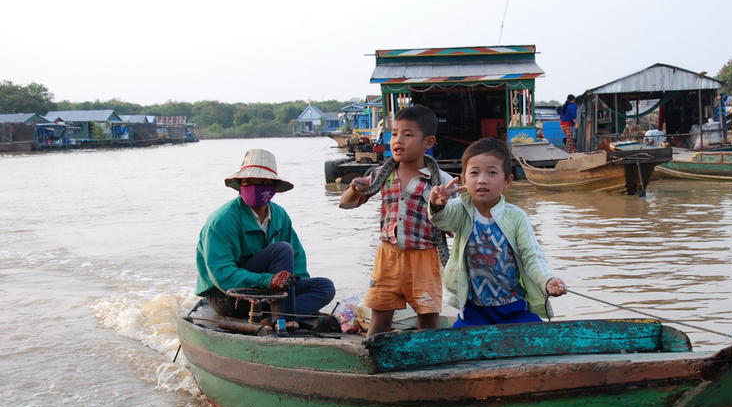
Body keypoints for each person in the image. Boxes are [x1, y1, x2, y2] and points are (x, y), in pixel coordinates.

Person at [339, 105, 454, 336]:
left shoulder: (441, 180)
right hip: (387, 257)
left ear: (428, 142)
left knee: (428, 319)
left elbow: (454, 222)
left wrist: (443, 204)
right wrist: (355, 188)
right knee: (379, 319)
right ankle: (372, 358)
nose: (398, 140)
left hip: (425, 255)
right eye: (394, 134)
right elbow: (345, 203)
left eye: (408, 134)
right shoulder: (381, 173)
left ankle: (427, 363)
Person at [428, 137, 566, 327]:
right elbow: (441, 219)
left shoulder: (516, 217)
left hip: (514, 307)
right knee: (456, 344)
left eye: (492, 173)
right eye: (474, 173)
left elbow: (532, 257)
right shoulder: (460, 210)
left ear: (508, 180)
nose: (482, 180)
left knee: (540, 336)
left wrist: (547, 280)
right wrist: (436, 205)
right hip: (473, 310)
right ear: (464, 178)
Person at [195, 149, 335, 327]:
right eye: (249, 182)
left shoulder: (279, 215)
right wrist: (268, 280)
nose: (255, 187)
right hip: (229, 295)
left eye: (262, 182)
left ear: (274, 187)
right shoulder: (222, 220)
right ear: (240, 185)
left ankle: (275, 317)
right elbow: (221, 273)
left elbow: (297, 259)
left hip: (270, 294)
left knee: (325, 287)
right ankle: (283, 320)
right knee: (282, 249)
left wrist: (293, 284)